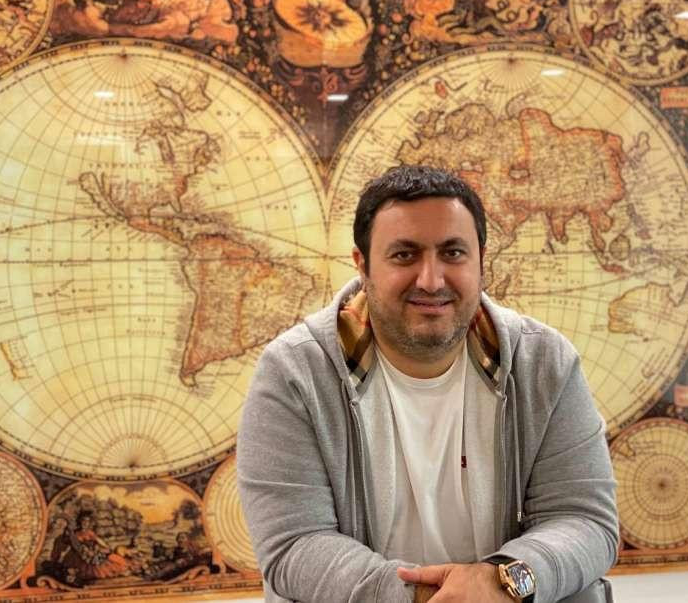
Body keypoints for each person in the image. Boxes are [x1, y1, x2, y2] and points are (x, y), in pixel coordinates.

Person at [237, 165, 618, 602]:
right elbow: (295, 545)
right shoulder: (293, 374)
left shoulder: (546, 363)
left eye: (453, 253)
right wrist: (428, 597)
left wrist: (501, 582)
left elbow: (584, 520)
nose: (431, 280)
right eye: (404, 255)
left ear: (481, 260)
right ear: (362, 265)